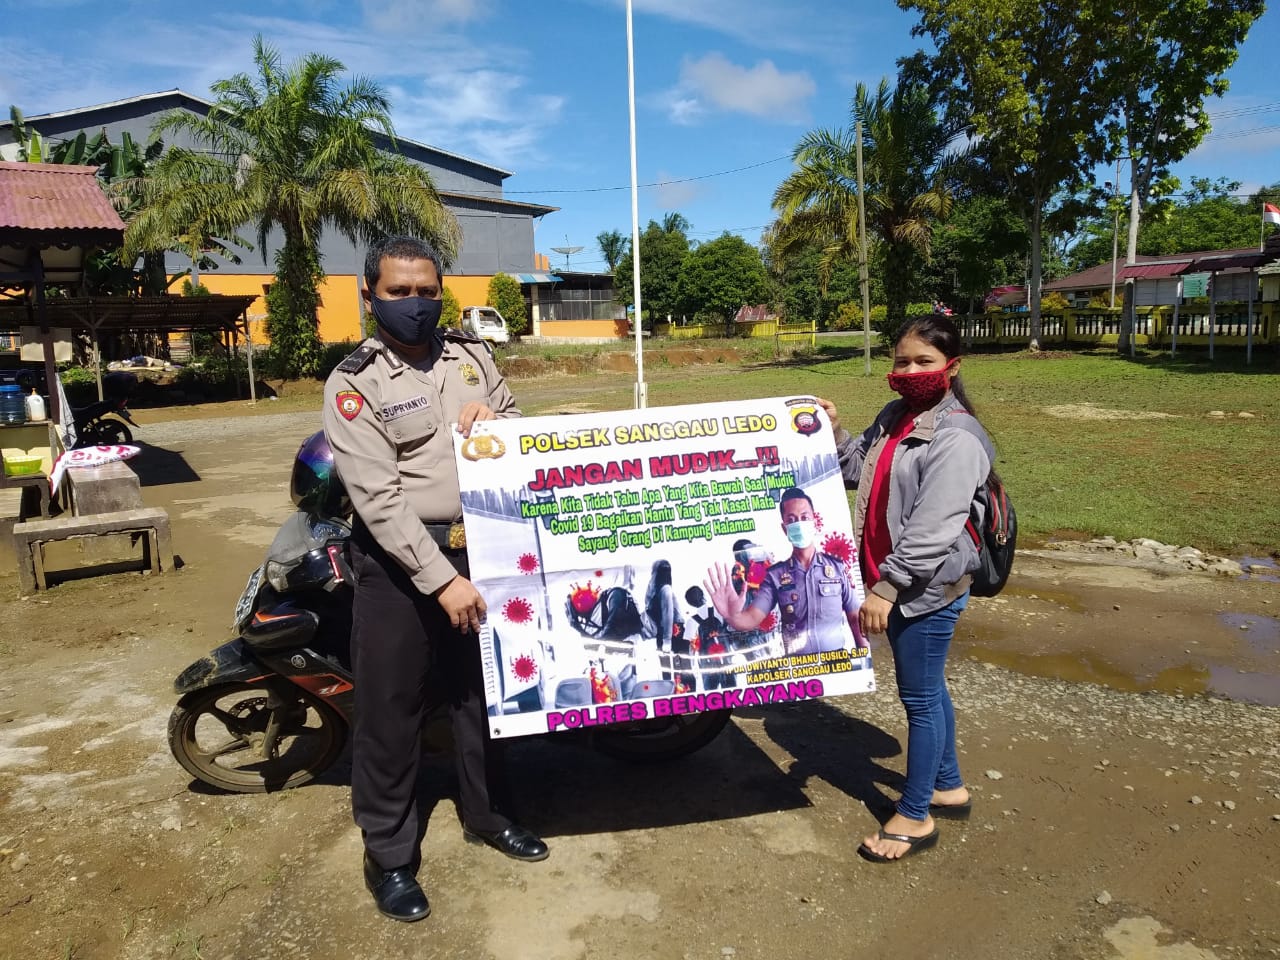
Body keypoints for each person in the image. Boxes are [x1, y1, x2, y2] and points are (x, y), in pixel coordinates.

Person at [323, 235, 548, 924]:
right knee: (393, 713)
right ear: (371, 296)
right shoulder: (355, 382)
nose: (415, 304)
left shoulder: (473, 357)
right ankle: (389, 856)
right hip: (398, 568)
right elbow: (379, 499)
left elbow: (515, 425)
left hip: (482, 549)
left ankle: (490, 814)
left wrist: (496, 419)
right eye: (399, 292)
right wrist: (440, 581)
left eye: (427, 291)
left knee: (485, 697)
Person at [818, 313, 995, 864]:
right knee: (929, 688)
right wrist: (836, 431)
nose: (910, 370)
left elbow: (934, 528)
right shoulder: (896, 415)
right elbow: (852, 470)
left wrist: (887, 588)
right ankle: (950, 786)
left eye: (924, 361)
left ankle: (915, 816)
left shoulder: (958, 436)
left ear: (953, 367)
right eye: (902, 361)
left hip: (924, 589)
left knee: (918, 698)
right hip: (890, 579)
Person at [704, 487, 864, 658]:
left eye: (804, 517)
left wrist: (864, 659)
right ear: (784, 528)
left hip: (838, 661)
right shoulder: (775, 575)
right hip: (799, 669)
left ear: (815, 521)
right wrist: (731, 615)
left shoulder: (838, 568)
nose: (799, 524)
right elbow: (751, 618)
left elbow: (856, 620)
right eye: (792, 520)